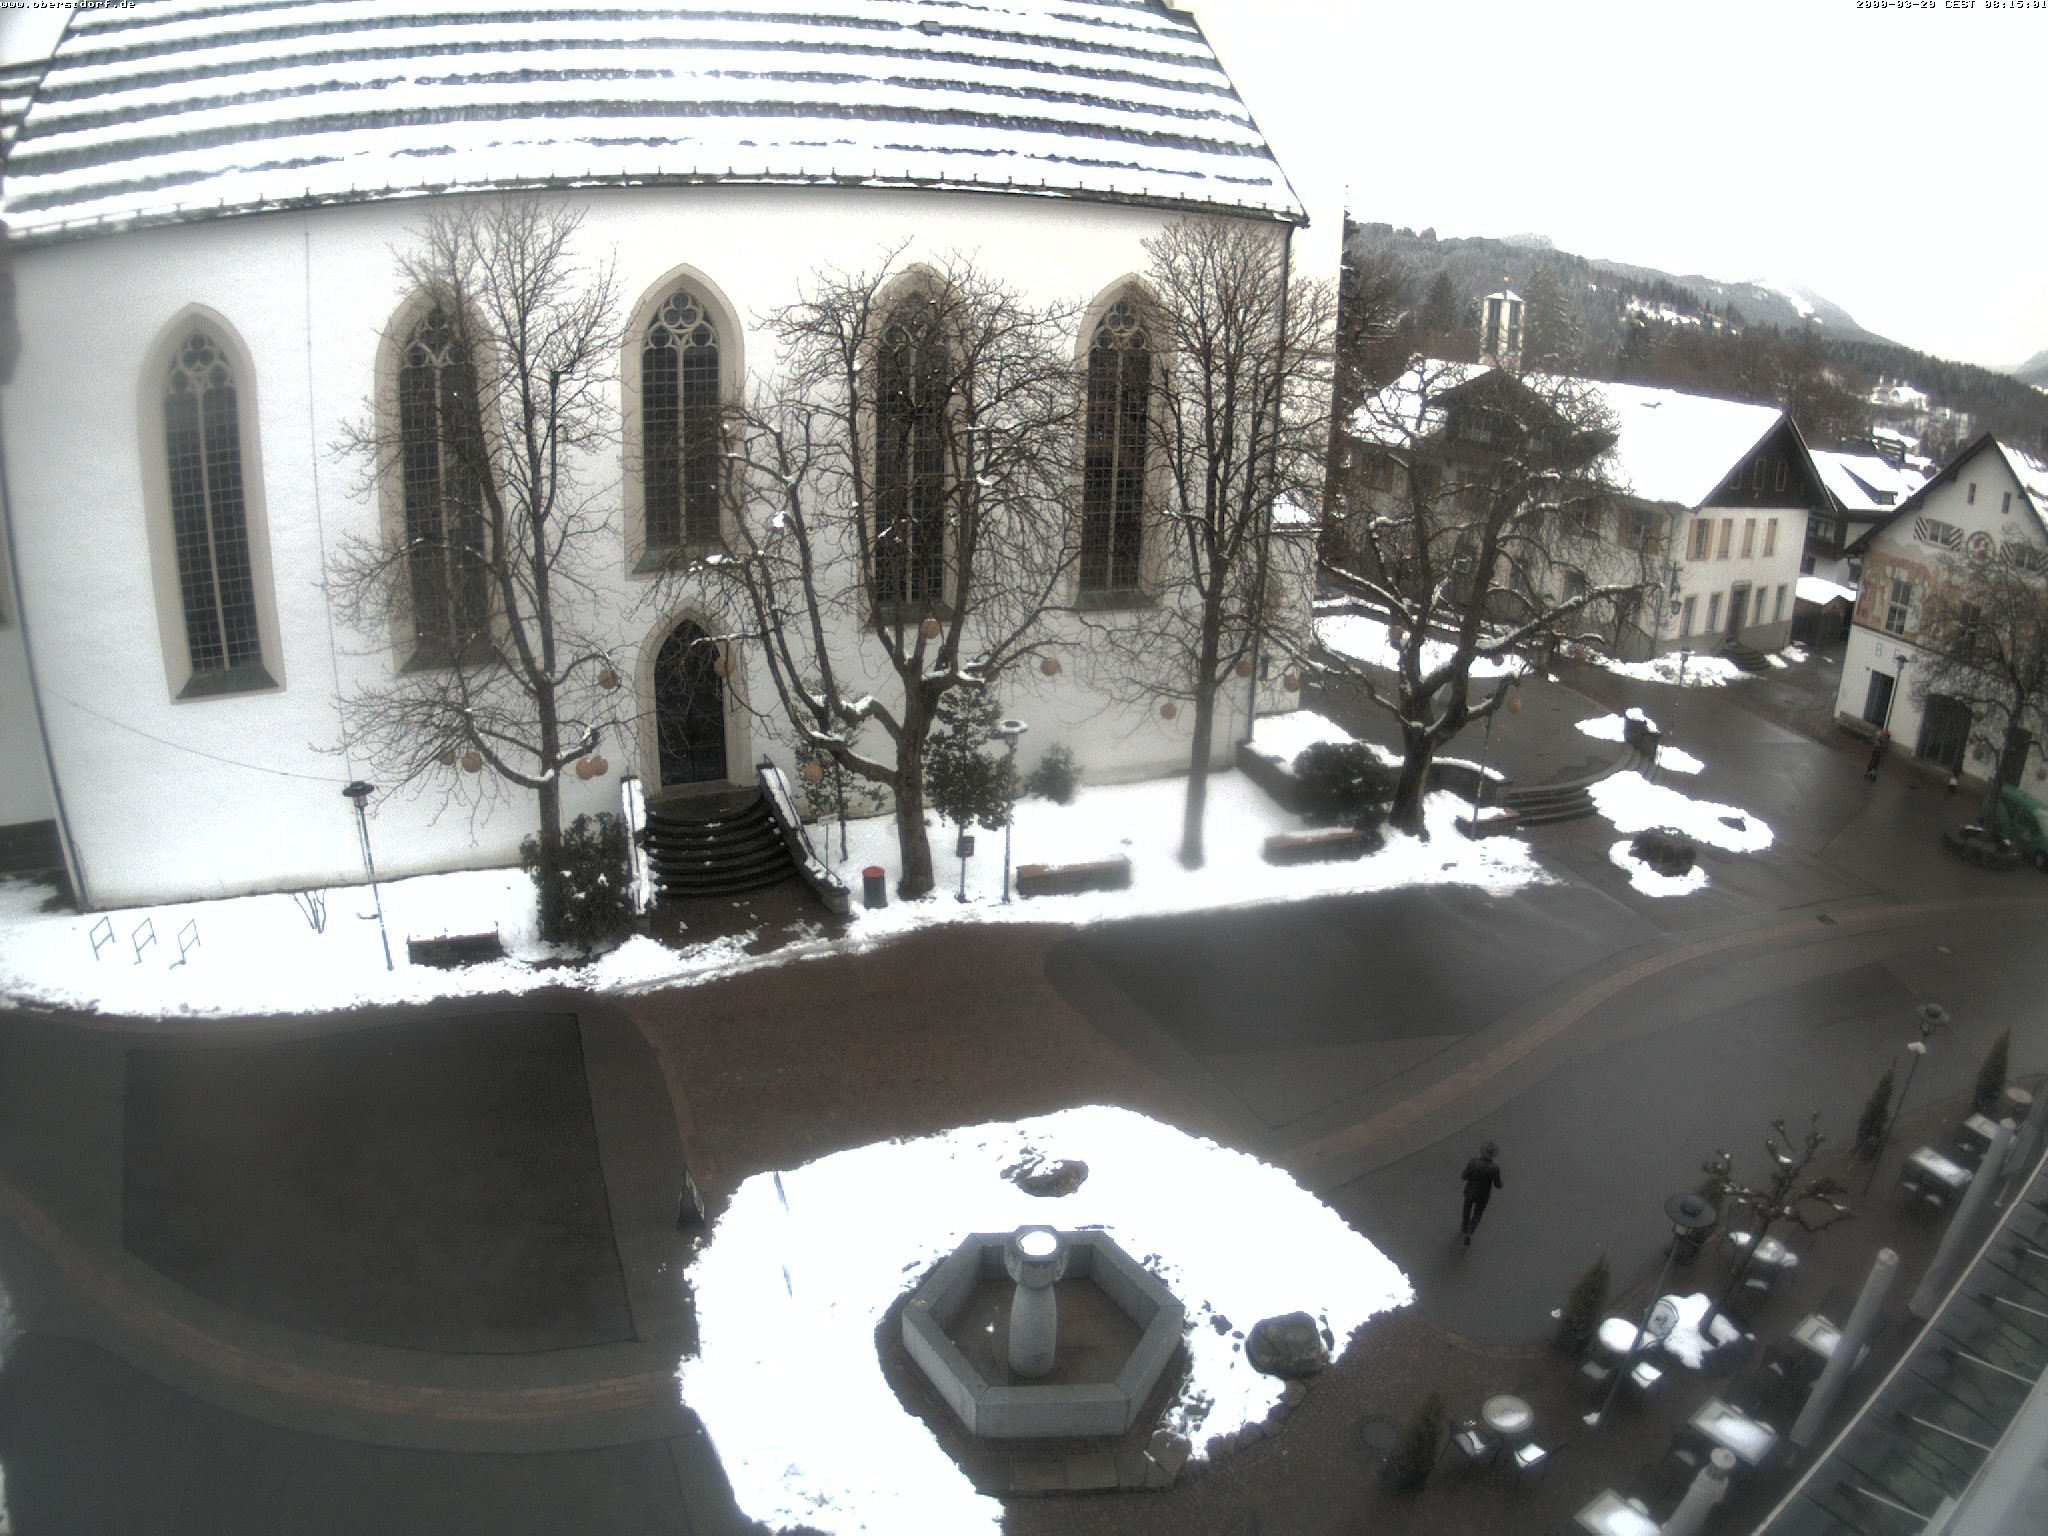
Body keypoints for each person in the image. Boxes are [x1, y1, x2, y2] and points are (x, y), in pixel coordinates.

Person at [1459, 1142, 1503, 1246]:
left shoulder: (1473, 1162)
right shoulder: (1495, 1168)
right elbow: (1497, 1184)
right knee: (1478, 1213)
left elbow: (1463, 1176)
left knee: (1467, 1209)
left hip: (1470, 1191)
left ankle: (1464, 1226)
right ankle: (1470, 1230)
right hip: (1483, 1195)